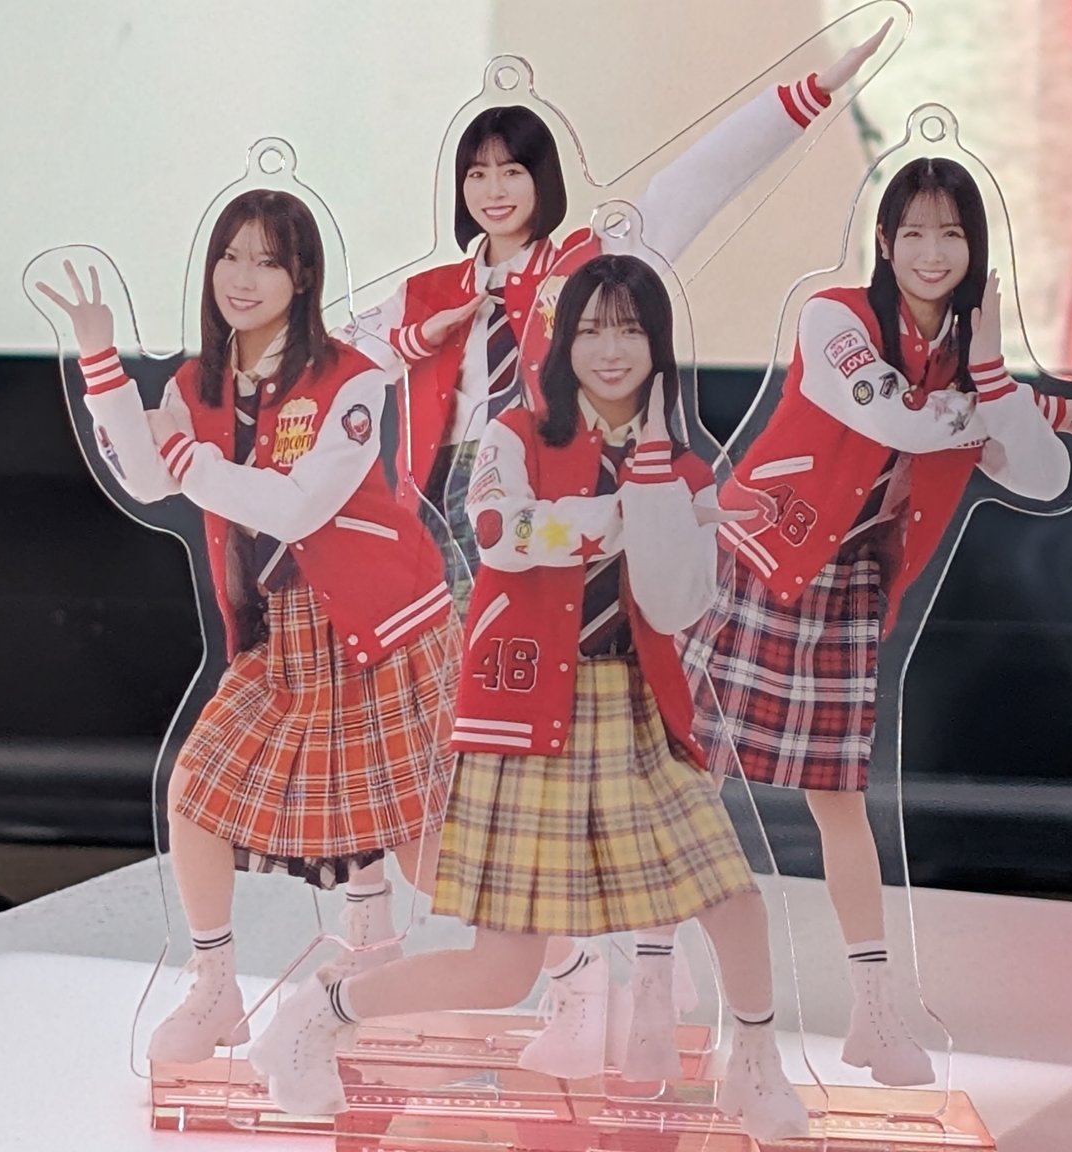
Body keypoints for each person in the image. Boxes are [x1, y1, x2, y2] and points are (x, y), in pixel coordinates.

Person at [323, 19, 893, 1064]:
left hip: (592, 520)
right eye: (477, 173)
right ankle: (549, 972)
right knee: (455, 762)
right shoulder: (431, 293)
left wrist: (809, 92)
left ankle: (635, 979)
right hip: (461, 523)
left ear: (544, 178)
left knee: (613, 747)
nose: (495, 190)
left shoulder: (595, 263)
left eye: (513, 170)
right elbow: (319, 361)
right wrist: (405, 340)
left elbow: (697, 179)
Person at [247, 254, 811, 1143]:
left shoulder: (683, 468)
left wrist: (661, 489)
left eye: (631, 330)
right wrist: (628, 515)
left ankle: (755, 1065)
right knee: (502, 970)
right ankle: (321, 1014)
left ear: (659, 344)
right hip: (525, 716)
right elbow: (500, 534)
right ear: (562, 343)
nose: (611, 350)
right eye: (591, 330)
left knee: (732, 899)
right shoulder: (516, 434)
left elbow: (675, 605)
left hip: (636, 714)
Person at [687, 157, 1072, 1085]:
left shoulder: (971, 367)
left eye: (952, 234)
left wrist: (997, 379)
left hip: (850, 586)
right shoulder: (836, 318)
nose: (932, 252)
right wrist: (1005, 403)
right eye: (915, 232)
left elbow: (1045, 476)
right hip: (758, 557)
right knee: (684, 776)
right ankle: (653, 980)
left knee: (838, 803)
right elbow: (899, 420)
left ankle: (875, 1011)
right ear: (884, 241)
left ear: (976, 249)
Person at [34, 189, 460, 1065]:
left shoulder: (351, 377)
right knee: (196, 791)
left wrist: (183, 453)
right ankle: (216, 986)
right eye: (231, 256)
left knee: (420, 837)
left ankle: (571, 965)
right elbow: (147, 480)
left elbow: (296, 506)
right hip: (282, 634)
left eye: (268, 260)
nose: (243, 277)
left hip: (378, 621)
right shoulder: (198, 383)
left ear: (303, 276)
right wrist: (99, 358)